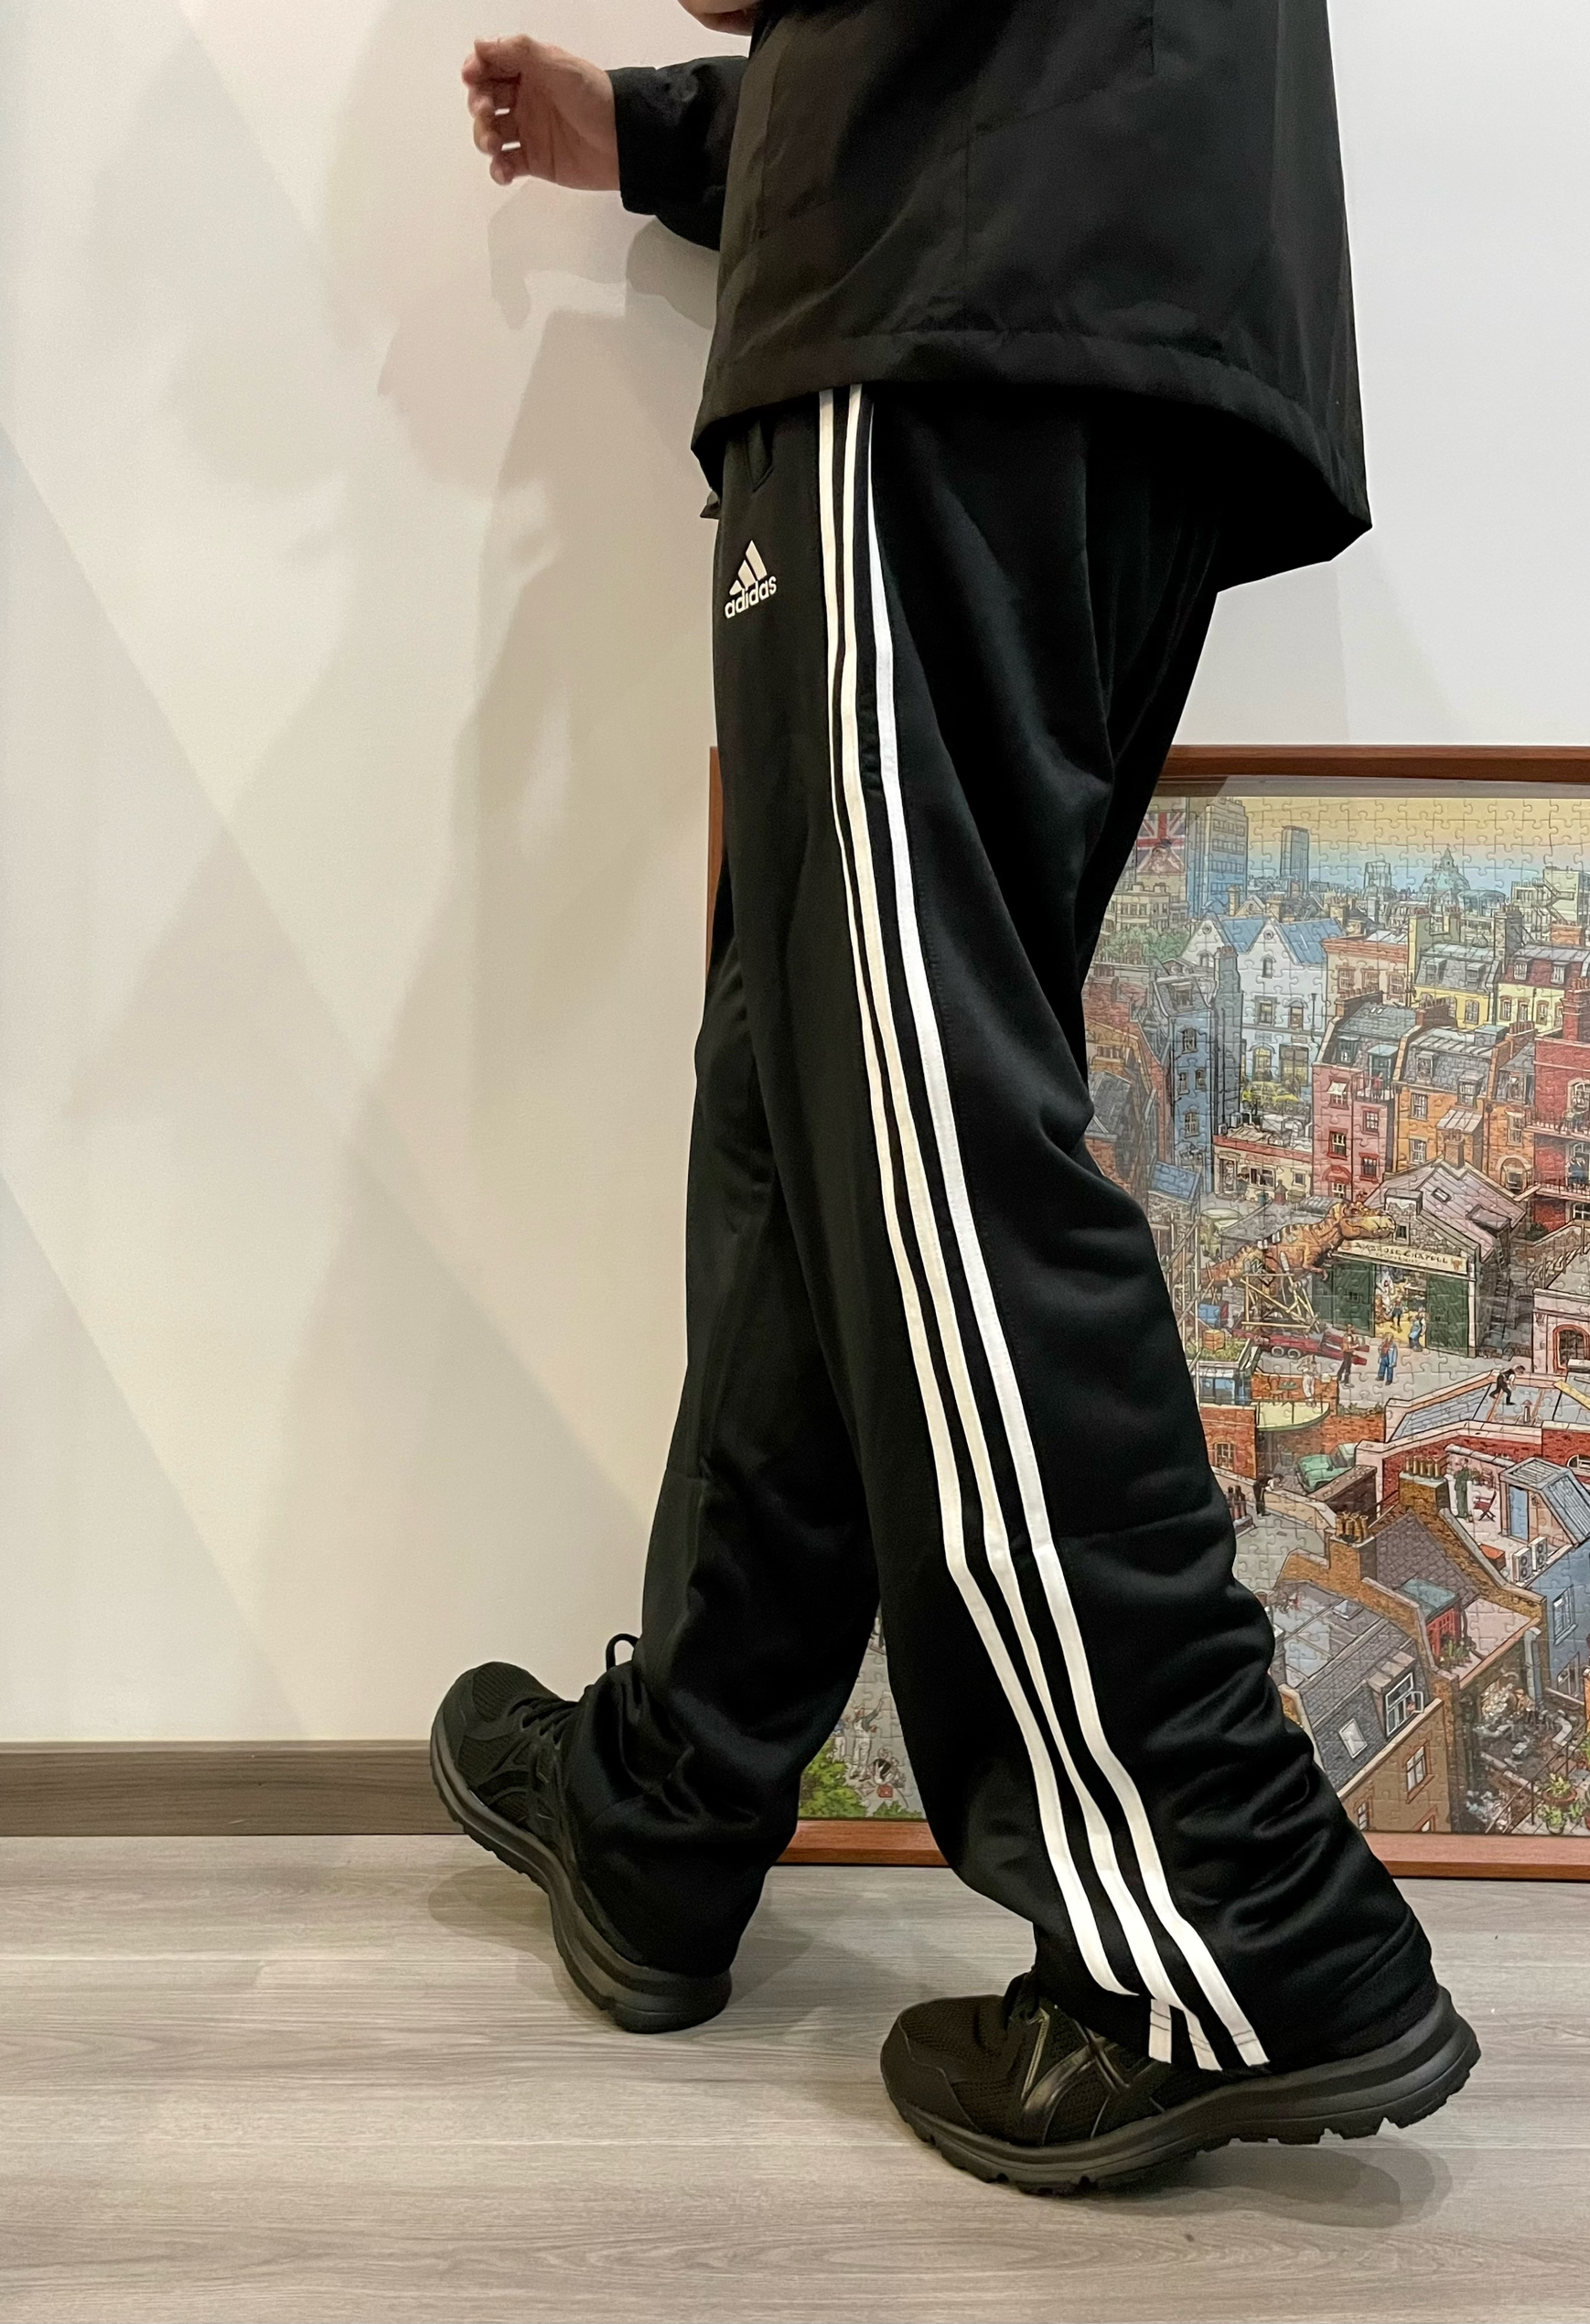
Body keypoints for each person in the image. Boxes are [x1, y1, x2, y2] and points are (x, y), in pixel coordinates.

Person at [434, 0, 1478, 2193]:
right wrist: (669, 137)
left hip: (953, 282)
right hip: (1099, 255)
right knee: (820, 1110)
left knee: (924, 1129)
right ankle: (668, 1808)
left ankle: (1228, 1907)